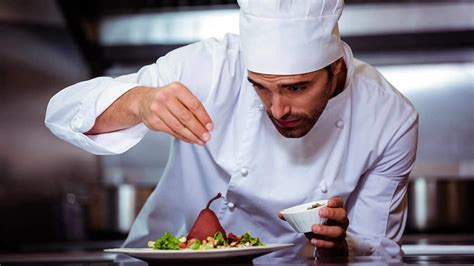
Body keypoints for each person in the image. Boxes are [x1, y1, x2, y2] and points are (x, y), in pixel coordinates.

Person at [45, 0, 418, 260]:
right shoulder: (213, 65)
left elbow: (378, 248)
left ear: (336, 69)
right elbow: (62, 113)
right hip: (164, 259)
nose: (277, 108)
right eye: (260, 86)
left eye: (296, 87)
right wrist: (139, 102)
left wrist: (341, 247)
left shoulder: (389, 117)